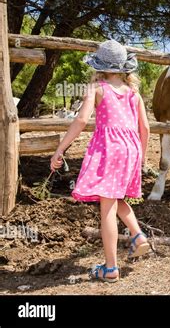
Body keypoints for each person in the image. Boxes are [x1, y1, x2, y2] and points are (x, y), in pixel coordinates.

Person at [50, 40, 151, 282]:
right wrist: (142, 156)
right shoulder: (134, 94)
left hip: (109, 149)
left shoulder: (96, 88)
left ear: (101, 66)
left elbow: (82, 121)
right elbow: (145, 127)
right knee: (115, 198)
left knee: (106, 208)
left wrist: (60, 149)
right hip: (131, 149)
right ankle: (138, 236)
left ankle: (110, 268)